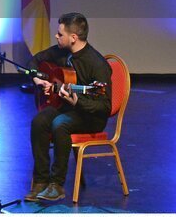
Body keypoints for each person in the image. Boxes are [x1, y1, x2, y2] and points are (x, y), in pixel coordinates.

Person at [25, 12, 112, 202]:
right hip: (67, 106)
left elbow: (104, 106)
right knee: (39, 121)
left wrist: (77, 102)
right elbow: (34, 61)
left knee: (60, 123)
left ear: (73, 38)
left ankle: (57, 184)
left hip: (91, 116)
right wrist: (37, 79)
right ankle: (40, 181)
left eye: (60, 34)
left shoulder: (97, 64)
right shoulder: (61, 51)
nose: (56, 37)